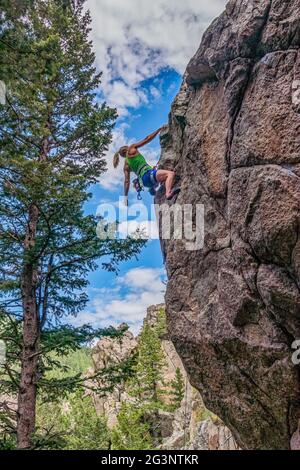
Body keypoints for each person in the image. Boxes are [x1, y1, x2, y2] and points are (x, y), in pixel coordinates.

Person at [113, 127, 179, 205]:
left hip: (145, 182)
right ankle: (168, 193)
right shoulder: (131, 148)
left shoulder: (126, 166)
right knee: (170, 174)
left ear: (122, 156)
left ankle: (152, 189)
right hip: (148, 174)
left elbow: (126, 182)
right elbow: (147, 139)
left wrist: (125, 197)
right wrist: (157, 131)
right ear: (127, 148)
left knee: (156, 175)